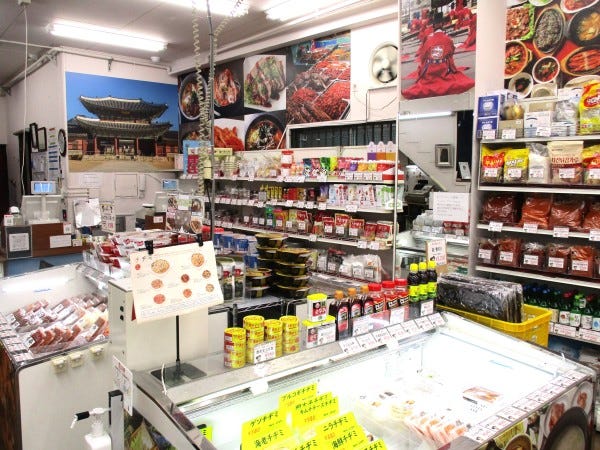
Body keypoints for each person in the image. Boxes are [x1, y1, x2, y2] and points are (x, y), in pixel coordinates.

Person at [401, 11, 475, 100]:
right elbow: (451, 52)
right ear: (442, 24)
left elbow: (423, 56)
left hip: (430, 71)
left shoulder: (429, 39)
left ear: (434, 25)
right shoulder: (448, 39)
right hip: (443, 69)